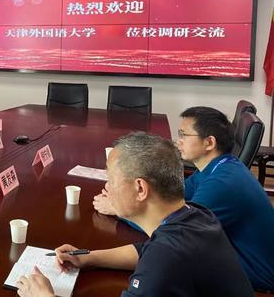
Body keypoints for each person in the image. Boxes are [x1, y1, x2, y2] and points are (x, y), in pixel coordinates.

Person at [16, 132, 254, 297]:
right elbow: (146, 250)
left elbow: (158, 257)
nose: (107, 187)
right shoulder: (194, 215)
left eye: (111, 179)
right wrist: (89, 258)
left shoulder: (165, 260)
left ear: (141, 188)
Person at [93, 106, 274, 291]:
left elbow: (171, 226)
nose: (178, 141)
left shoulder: (223, 183)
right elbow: (169, 200)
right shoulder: (216, 168)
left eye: (183, 135)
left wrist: (120, 210)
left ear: (209, 142)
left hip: (257, 279)